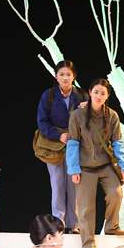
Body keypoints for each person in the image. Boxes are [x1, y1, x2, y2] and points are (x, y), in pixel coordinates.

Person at [66, 78, 124, 248]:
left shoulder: (112, 116)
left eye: (103, 93)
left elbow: (117, 143)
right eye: (96, 92)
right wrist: (74, 169)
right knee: (86, 206)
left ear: (107, 96)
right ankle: (88, 242)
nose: (99, 96)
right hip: (85, 167)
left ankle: (111, 227)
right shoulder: (77, 115)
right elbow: (72, 143)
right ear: (90, 93)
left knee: (116, 194)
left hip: (105, 165)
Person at [36, 60, 87, 234]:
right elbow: (42, 122)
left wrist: (88, 110)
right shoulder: (49, 95)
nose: (65, 78)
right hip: (54, 145)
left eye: (68, 74)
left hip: (76, 146)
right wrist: (59, 135)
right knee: (57, 185)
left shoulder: (82, 95)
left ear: (74, 76)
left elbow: (92, 122)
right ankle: (58, 224)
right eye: (61, 74)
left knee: (74, 185)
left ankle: (74, 225)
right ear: (56, 76)